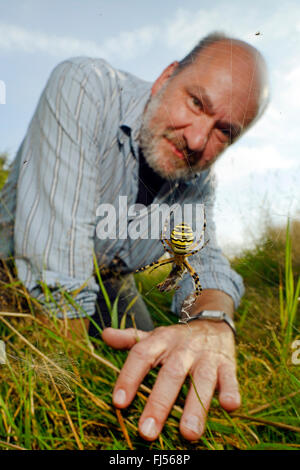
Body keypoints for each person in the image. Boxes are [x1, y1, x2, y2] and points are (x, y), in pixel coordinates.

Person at [0, 32, 269, 441]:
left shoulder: (199, 181)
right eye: (196, 103)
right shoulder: (85, 88)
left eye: (223, 132)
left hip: (110, 280)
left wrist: (213, 323)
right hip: (12, 266)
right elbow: (57, 269)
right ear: (165, 78)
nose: (197, 140)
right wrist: (65, 407)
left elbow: (202, 261)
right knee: (47, 384)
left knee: (159, 377)